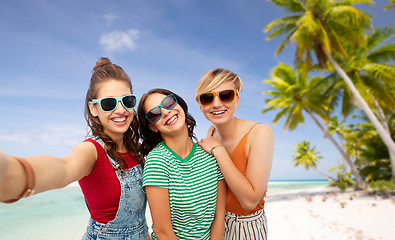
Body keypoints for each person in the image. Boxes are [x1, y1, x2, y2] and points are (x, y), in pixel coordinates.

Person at [0, 57, 149, 239]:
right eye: (109, 103)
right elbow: (64, 168)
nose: (120, 109)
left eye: (127, 100)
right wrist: (12, 174)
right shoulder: (91, 151)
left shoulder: (138, 152)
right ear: (93, 108)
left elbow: (138, 220)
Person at [195, 68, 274, 240]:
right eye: (207, 98)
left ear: (237, 100)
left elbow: (249, 201)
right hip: (215, 223)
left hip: (246, 226)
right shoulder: (212, 131)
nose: (216, 104)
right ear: (201, 106)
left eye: (226, 95)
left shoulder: (260, 132)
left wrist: (219, 151)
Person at [137, 88, 226, 240]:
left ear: (180, 105)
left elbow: (218, 218)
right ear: (152, 127)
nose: (165, 112)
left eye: (168, 103)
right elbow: (163, 232)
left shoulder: (211, 155)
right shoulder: (157, 161)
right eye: (155, 114)